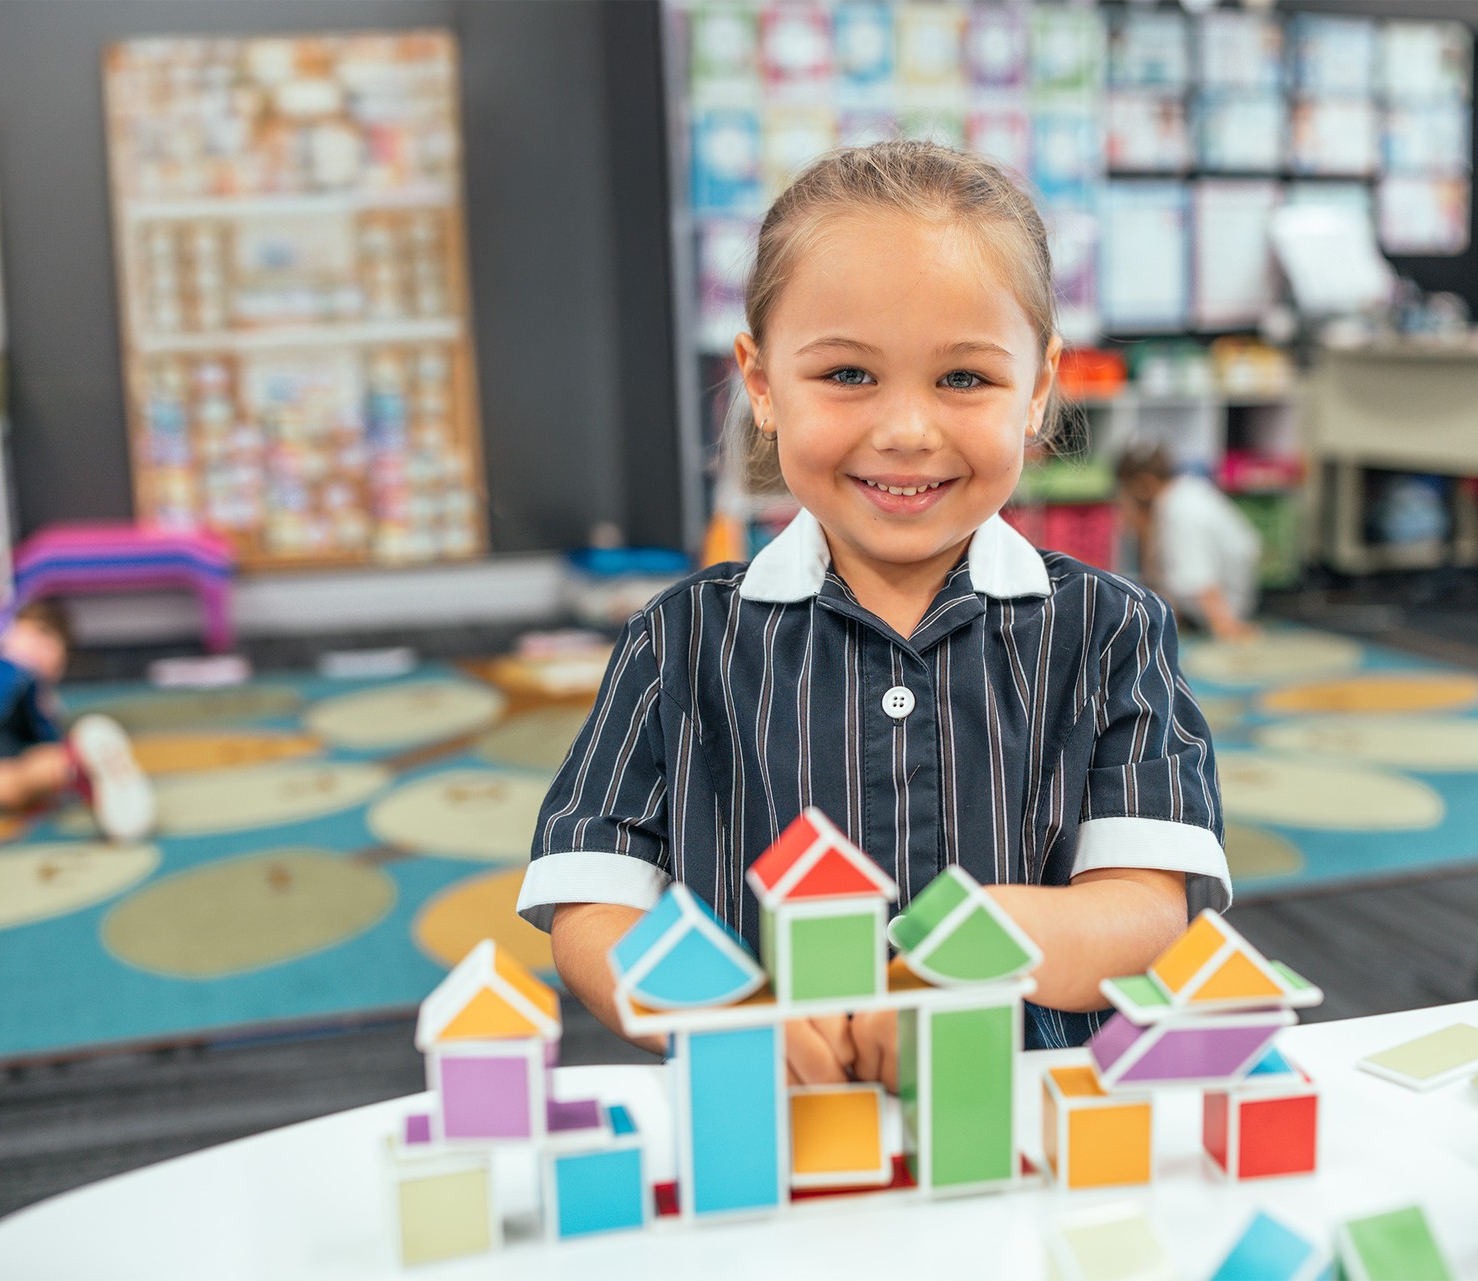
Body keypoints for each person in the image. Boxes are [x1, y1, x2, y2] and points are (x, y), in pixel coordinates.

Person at [519, 141, 1227, 1082]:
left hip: (1028, 1127)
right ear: (763, 385)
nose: (905, 430)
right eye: (848, 375)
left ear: (1039, 388)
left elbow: (1145, 908)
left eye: (965, 377)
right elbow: (592, 901)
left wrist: (978, 950)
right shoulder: (680, 640)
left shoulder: (1109, 632)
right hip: (767, 1131)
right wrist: (709, 1009)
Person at [0, 600, 155, 841]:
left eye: (54, 648)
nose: (43, 649)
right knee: (7, 784)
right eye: (39, 635)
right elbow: (44, 729)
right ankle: (74, 763)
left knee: (2, 784)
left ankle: (73, 763)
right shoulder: (3, 666)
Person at [1115, 444, 1262, 641]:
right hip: (1208, 607)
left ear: (1145, 484)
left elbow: (1201, 583)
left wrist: (1226, 628)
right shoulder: (1186, 492)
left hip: (1219, 611)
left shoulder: (1179, 512)